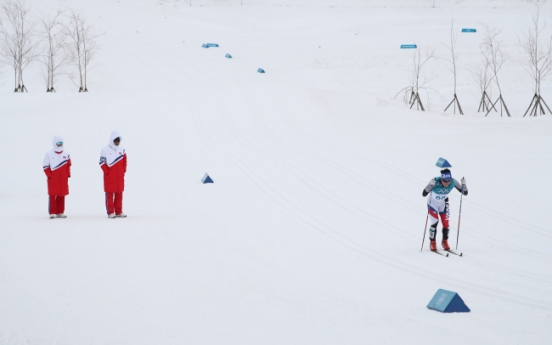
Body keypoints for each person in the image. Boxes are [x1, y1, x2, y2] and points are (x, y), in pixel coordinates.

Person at [422, 169, 467, 251]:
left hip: (443, 203)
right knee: (435, 222)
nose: (447, 183)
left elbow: (464, 193)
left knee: (446, 224)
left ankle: (445, 241)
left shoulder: (453, 182)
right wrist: (430, 185)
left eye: (448, 181)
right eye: (444, 181)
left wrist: (464, 185)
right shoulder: (435, 180)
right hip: (432, 204)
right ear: (441, 179)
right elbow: (424, 194)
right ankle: (432, 242)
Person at [99, 131, 127, 218]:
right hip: (109, 178)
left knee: (119, 194)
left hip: (119, 177)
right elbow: (101, 162)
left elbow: (125, 161)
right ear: (112, 140)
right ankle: (110, 212)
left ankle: (119, 211)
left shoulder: (122, 149)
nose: (117, 142)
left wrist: (123, 171)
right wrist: (107, 172)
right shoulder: (105, 149)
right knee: (110, 195)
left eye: (118, 140)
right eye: (116, 140)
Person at [43, 135, 71, 219]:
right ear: (54, 143)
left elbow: (68, 165)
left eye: (60, 143)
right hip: (53, 179)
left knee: (61, 195)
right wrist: (50, 175)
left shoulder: (66, 154)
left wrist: (67, 174)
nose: (59, 145)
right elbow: (45, 166)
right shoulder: (49, 154)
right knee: (52, 195)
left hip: (63, 179)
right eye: (58, 143)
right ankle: (52, 212)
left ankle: (60, 212)